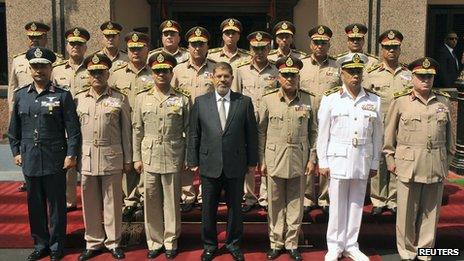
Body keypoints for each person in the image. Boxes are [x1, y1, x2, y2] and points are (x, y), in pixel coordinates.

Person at [8, 47, 81, 261]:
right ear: (30, 69)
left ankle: (57, 245)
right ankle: (40, 243)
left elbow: (73, 129)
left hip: (55, 158)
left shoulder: (62, 95)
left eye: (43, 66)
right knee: (35, 204)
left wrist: (71, 154)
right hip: (30, 157)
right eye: (35, 66)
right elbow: (14, 130)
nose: (39, 70)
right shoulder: (21, 96)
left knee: (57, 205)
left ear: (51, 68)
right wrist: (15, 152)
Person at [383, 57, 455, 261]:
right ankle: (406, 252)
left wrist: (446, 164)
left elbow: (450, 140)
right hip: (408, 165)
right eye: (421, 76)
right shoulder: (401, 101)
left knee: (430, 214)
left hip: (435, 165)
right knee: (406, 213)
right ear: (412, 77)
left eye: (429, 76)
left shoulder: (443, 101)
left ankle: (425, 252)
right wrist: (390, 160)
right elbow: (389, 136)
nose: (425, 80)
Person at [188, 62, 258, 261]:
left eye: (226, 76)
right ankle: (210, 245)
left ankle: (233, 243)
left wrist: (252, 161)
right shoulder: (201, 102)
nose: (222, 80)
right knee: (208, 208)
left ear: (232, 79)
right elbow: (194, 133)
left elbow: (251, 134)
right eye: (218, 76)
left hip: (236, 164)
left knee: (235, 207)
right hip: (209, 164)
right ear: (212, 78)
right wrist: (192, 158)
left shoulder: (243, 102)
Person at [317, 53, 382, 261]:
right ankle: (334, 246)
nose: (355, 75)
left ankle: (352, 244)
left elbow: (377, 135)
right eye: (351, 71)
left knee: (356, 204)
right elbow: (323, 133)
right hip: (338, 158)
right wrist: (323, 161)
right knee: (336, 204)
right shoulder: (331, 98)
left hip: (362, 157)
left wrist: (374, 162)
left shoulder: (374, 99)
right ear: (342, 73)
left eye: (358, 71)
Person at [258, 56, 317, 261]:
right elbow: (261, 132)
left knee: (295, 203)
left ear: (298, 77)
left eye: (293, 75)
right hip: (274, 157)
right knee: (274, 203)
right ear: (279, 77)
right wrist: (262, 160)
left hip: (299, 158)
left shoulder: (310, 100)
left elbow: (314, 133)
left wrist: (312, 159)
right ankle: (276, 242)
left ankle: (292, 243)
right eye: (286, 75)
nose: (289, 79)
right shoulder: (268, 99)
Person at [133, 51, 190, 259]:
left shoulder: (182, 99)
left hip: (173, 154)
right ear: (152, 72)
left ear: (171, 72)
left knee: (172, 201)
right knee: (150, 199)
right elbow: (137, 129)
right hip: (149, 156)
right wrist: (136, 158)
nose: (161, 75)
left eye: (165, 71)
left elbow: (189, 129)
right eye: (157, 71)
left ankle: (171, 241)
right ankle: (154, 241)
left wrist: (188, 157)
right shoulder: (141, 98)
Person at [74, 53, 131, 260]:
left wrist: (128, 159)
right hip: (87, 156)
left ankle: (114, 242)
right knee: (89, 202)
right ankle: (93, 241)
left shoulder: (119, 98)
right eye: (93, 72)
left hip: (112, 156)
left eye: (101, 72)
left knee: (113, 202)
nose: (97, 75)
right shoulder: (78, 98)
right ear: (88, 75)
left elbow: (127, 132)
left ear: (108, 73)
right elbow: (73, 132)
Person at [7, 21, 63, 192]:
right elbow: (12, 88)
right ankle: (29, 177)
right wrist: (12, 111)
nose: (34, 41)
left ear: (46, 38)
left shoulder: (57, 60)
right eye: (31, 37)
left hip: (49, 108)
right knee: (29, 147)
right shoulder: (18, 60)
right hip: (25, 110)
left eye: (38, 37)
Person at [364, 30, 411, 216]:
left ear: (399, 49)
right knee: (378, 161)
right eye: (387, 47)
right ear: (381, 49)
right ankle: (378, 199)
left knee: (397, 160)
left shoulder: (408, 74)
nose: (391, 50)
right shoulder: (371, 74)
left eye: (394, 47)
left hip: (402, 126)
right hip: (379, 123)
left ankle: (393, 199)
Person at [109, 31, 154, 220]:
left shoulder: (156, 72)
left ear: (147, 50)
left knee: (148, 162)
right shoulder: (116, 74)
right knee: (128, 164)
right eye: (132, 49)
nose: (135, 52)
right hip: (124, 126)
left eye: (139, 48)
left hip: (149, 125)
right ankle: (130, 200)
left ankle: (146, 197)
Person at [232, 31, 278, 212]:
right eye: (255, 49)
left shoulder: (276, 70)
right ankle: (250, 196)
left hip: (269, 122)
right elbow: (235, 97)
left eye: (263, 48)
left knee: (268, 159)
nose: (259, 52)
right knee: (249, 161)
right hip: (247, 122)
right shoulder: (241, 70)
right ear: (250, 50)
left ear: (269, 49)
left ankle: (265, 197)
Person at [172, 26, 216, 212]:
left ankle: (205, 195)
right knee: (186, 159)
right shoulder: (178, 69)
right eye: (193, 44)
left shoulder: (215, 68)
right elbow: (172, 94)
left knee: (207, 158)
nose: (197, 48)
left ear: (207, 46)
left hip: (209, 122)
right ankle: (188, 195)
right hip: (185, 121)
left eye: (201, 44)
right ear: (188, 46)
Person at [300, 25, 340, 215]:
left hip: (330, 118)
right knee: (307, 153)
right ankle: (308, 197)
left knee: (327, 154)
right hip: (305, 114)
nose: (320, 46)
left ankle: (324, 197)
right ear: (310, 44)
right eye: (316, 42)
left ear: (329, 44)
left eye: (323, 43)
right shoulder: (301, 65)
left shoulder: (337, 66)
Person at [52, 27, 91, 211]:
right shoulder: (56, 70)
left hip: (88, 120)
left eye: (79, 44)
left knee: (88, 161)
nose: (76, 47)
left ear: (85, 47)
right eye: (72, 44)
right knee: (68, 162)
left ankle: (90, 199)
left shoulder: (93, 68)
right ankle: (69, 201)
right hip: (65, 123)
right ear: (67, 47)